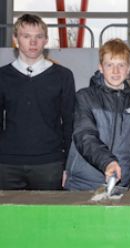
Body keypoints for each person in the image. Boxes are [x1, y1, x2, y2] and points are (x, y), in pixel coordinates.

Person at [0, 14, 75, 190]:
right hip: (7, 164)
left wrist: (67, 165)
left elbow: (70, 124)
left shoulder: (63, 76)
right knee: (8, 218)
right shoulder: (2, 76)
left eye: (38, 37)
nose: (33, 42)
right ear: (16, 39)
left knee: (49, 218)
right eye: (26, 36)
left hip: (49, 164)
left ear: (46, 40)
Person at [64, 38, 130, 190]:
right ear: (100, 67)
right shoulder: (84, 97)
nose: (115, 71)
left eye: (121, 65)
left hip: (121, 185)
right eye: (109, 65)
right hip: (83, 184)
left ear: (128, 69)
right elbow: (85, 136)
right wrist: (107, 162)